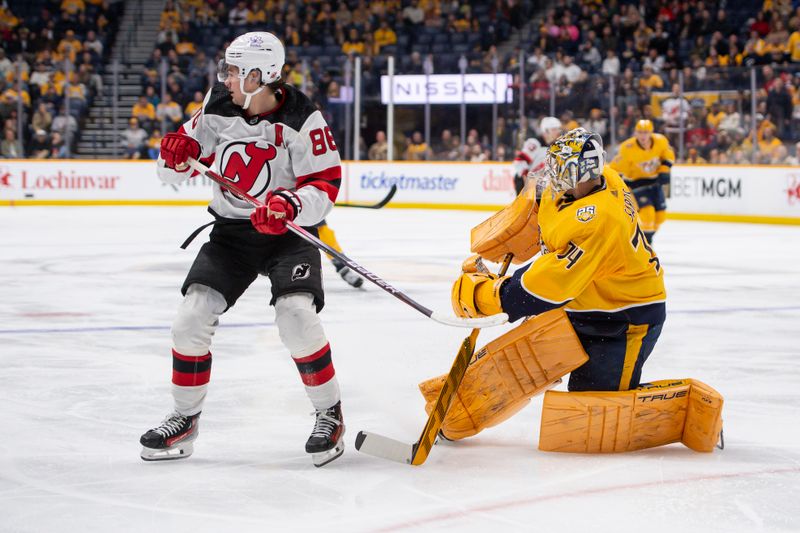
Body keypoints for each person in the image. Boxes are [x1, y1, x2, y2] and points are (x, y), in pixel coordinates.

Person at [139, 32, 345, 467]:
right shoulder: (216, 105)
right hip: (232, 234)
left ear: (260, 75)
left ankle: (330, 413)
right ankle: (185, 418)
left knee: (296, 317)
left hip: (286, 233)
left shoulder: (303, 117)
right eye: (228, 70)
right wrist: (175, 156)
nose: (227, 78)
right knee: (191, 317)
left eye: (234, 71)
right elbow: (171, 172)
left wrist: (290, 203)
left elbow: (325, 187)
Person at [444, 129, 720, 453]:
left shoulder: (601, 218)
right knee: (517, 364)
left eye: (564, 170)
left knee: (589, 414)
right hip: (579, 302)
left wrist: (489, 296)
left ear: (586, 171)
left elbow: (543, 291)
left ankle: (684, 409)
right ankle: (457, 413)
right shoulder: (590, 183)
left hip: (625, 319)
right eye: (554, 168)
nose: (555, 178)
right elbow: (543, 218)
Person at [609, 119, 675, 243]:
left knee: (660, 217)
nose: (643, 135)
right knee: (647, 214)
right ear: (635, 132)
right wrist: (613, 184)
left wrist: (665, 169)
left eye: (645, 132)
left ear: (651, 132)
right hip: (636, 185)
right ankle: (645, 243)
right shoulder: (627, 148)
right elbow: (615, 167)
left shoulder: (660, 141)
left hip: (655, 184)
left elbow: (668, 155)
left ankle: (646, 238)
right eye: (640, 132)